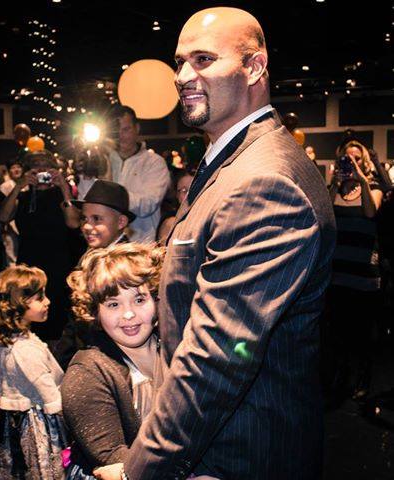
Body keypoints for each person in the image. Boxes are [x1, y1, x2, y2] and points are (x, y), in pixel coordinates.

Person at [95, 7, 336, 480]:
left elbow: (218, 356)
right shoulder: (232, 162)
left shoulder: (265, 181)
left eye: (203, 59)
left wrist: (138, 471)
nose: (184, 75)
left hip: (238, 454)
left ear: (254, 67)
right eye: (181, 61)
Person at [61, 243, 165, 478]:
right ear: (95, 311)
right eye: (113, 304)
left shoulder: (177, 349)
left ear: (157, 300)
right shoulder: (87, 372)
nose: (128, 314)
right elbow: (113, 458)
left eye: (139, 300)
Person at [0, 264, 68, 479]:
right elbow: (51, 396)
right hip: (39, 421)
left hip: (17, 419)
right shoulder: (25, 350)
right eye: (39, 297)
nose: (48, 301)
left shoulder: (7, 341)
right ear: (18, 304)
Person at [0, 150, 83, 341]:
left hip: (58, 264)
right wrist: (18, 186)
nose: (42, 170)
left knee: (57, 316)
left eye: (47, 165)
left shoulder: (61, 194)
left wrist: (63, 187)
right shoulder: (24, 197)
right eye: (37, 166)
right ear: (29, 171)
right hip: (29, 263)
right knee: (29, 312)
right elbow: (3, 216)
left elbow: (73, 223)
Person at [53, 179, 135, 369]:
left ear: (121, 222)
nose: (87, 226)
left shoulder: (125, 264)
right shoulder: (91, 253)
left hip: (108, 361)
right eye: (84, 218)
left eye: (97, 219)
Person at [326, 140, 383, 401]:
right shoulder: (336, 189)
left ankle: (364, 379)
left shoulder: (373, 187)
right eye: (347, 158)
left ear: (364, 162)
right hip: (338, 273)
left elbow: (371, 213)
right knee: (338, 333)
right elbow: (324, 216)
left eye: (357, 158)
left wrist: (360, 180)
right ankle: (341, 376)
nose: (352, 161)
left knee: (362, 334)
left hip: (363, 275)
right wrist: (336, 183)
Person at [108, 106, 170, 242]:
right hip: (106, 246)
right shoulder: (104, 160)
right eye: (115, 131)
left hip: (141, 245)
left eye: (126, 129)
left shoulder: (154, 162)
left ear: (137, 128)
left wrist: (111, 195)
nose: (120, 136)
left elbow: (148, 204)